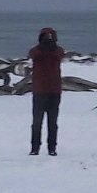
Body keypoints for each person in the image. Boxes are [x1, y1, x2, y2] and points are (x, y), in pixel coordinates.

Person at [28, 26, 64, 156]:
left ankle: (51, 147)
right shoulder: (36, 51)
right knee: (37, 122)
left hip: (53, 90)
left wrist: (48, 46)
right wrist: (44, 46)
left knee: (52, 122)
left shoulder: (57, 50)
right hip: (40, 90)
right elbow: (33, 54)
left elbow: (58, 54)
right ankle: (35, 147)